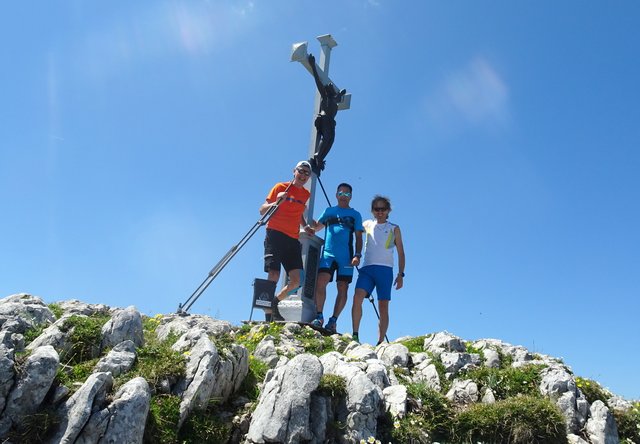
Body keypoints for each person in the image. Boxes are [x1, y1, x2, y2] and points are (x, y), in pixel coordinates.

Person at [259, 160, 315, 321]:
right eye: (301, 171)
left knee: (298, 280)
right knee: (274, 273)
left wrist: (306, 226)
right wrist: (277, 201)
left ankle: (275, 302)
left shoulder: (305, 194)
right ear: (294, 171)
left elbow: (298, 214)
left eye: (306, 173)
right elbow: (262, 210)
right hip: (275, 233)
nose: (303, 175)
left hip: (292, 238)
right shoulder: (280, 187)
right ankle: (268, 314)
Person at [308, 183, 363, 333]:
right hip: (328, 253)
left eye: (347, 194)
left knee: (343, 287)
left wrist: (357, 255)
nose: (343, 196)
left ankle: (333, 320)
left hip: (346, 257)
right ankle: (319, 316)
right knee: (321, 281)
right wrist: (303, 212)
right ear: (336, 194)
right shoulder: (329, 211)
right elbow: (316, 227)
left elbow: (359, 237)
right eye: (341, 193)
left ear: (351, 196)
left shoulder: (355, 214)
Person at [351, 195, 405, 345]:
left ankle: (380, 341)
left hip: (385, 270)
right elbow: (353, 232)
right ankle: (355, 335)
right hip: (367, 268)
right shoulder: (366, 224)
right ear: (372, 211)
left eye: (383, 209)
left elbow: (401, 252)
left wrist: (401, 274)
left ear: (388, 210)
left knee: (383, 306)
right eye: (377, 209)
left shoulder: (394, 228)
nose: (380, 212)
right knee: (357, 297)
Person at [308, 53, 347, 174]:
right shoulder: (325, 97)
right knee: (326, 138)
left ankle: (320, 158)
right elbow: (318, 81)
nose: (330, 85)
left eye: (331, 86)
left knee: (331, 140)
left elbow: (339, 97)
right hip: (325, 119)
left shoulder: (334, 99)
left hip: (331, 122)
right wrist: (313, 66)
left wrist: (341, 94)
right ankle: (317, 155)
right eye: (329, 86)